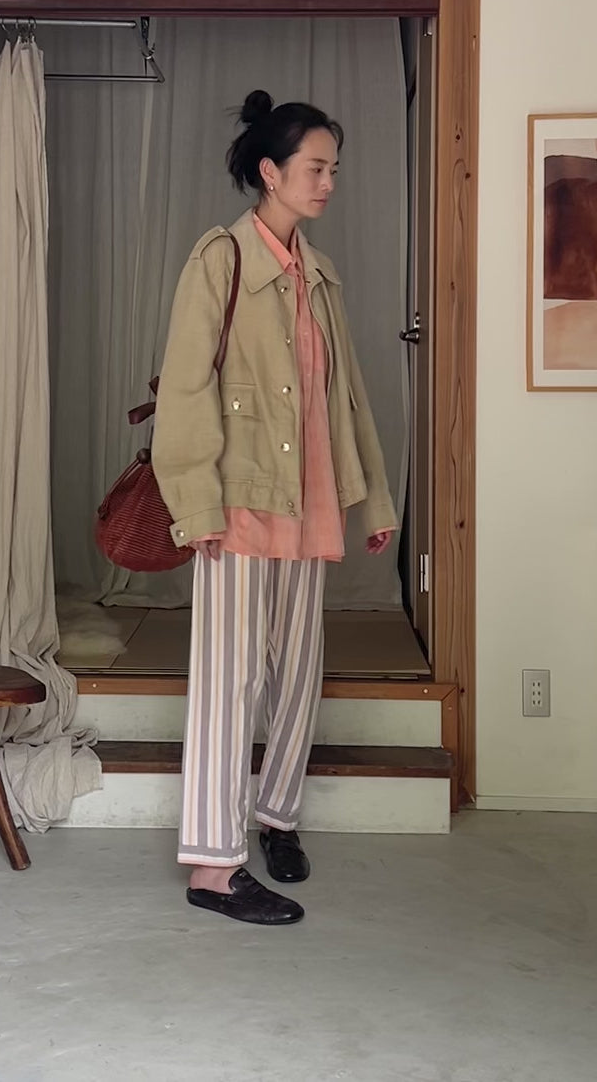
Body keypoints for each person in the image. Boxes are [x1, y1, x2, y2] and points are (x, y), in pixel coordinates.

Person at [152, 90, 397, 926]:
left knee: (297, 673)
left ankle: (277, 817)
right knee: (229, 684)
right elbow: (186, 390)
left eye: (334, 169)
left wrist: (374, 500)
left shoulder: (317, 274)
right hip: (239, 501)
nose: (328, 183)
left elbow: (347, 396)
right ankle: (213, 868)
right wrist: (196, 505)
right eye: (315, 168)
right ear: (270, 171)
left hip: (309, 502)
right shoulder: (220, 259)